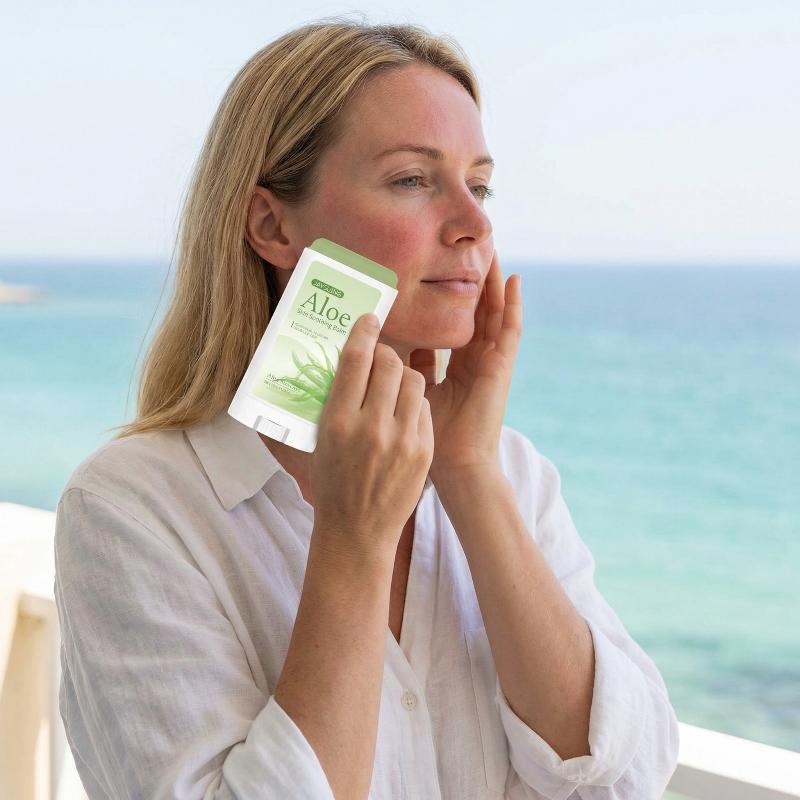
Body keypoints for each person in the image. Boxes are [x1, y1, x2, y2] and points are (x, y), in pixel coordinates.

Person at [54, 17, 680, 800]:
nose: (475, 225)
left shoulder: (510, 474)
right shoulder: (134, 508)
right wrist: (351, 541)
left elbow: (626, 779)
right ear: (272, 225)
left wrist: (469, 474)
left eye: (479, 185)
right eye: (413, 180)